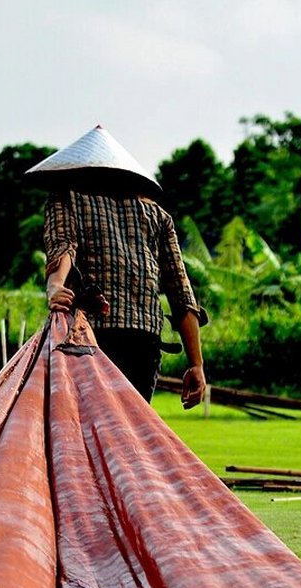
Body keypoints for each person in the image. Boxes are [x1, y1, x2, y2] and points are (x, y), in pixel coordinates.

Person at [26, 125, 207, 408]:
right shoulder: (159, 216)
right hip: (144, 341)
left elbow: (63, 247)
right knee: (129, 433)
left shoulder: (67, 197)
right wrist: (196, 364)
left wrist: (55, 286)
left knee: (91, 431)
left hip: (92, 336)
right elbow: (181, 292)